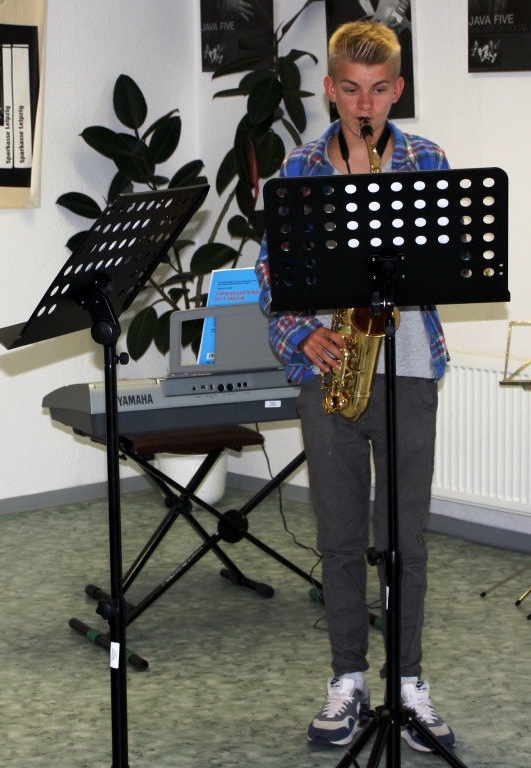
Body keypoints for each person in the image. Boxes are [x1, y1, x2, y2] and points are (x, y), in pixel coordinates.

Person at [255, 20, 455, 753]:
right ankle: (347, 677)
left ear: (397, 90)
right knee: (339, 538)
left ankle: (409, 681)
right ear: (329, 90)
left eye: (377, 90)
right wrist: (299, 334)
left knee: (405, 541)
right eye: (350, 89)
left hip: (408, 366)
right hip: (329, 367)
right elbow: (272, 273)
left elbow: (450, 260)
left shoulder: (428, 160)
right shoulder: (301, 167)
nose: (363, 105)